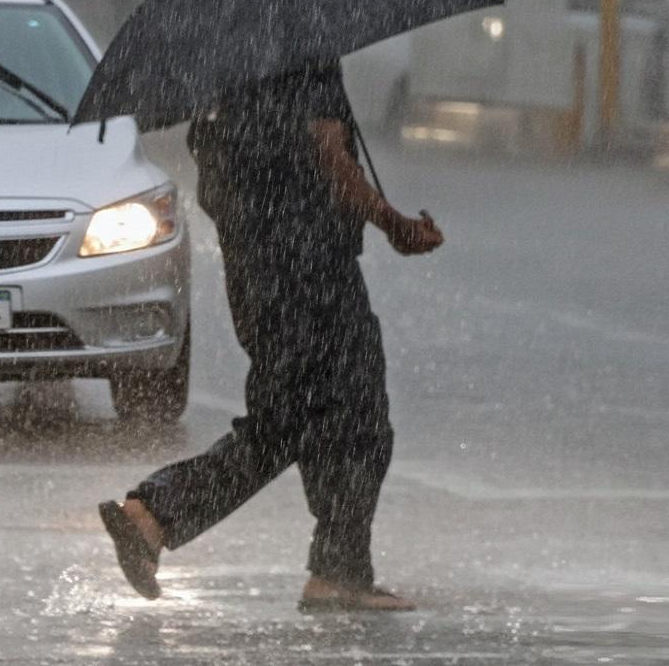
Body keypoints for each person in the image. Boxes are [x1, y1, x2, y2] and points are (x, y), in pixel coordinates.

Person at [99, 65, 444, 612]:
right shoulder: (305, 60)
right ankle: (162, 516)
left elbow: (224, 173)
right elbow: (333, 161)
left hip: (259, 275)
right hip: (312, 276)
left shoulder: (231, 73)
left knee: (308, 419)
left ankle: (333, 566)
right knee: (346, 419)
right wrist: (393, 223)